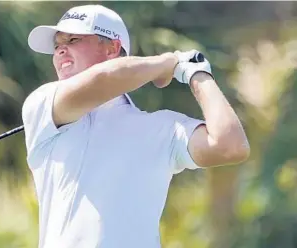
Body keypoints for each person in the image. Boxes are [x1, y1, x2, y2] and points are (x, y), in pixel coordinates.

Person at [22, 4, 250, 248]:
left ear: (112, 48)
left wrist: (198, 75)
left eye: (73, 39)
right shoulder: (43, 105)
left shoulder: (162, 128)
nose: (60, 51)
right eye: (57, 45)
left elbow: (230, 146)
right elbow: (104, 79)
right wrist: (167, 63)